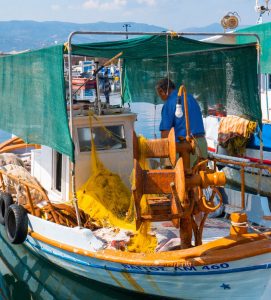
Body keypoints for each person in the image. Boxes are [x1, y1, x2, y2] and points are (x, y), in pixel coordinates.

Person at [156, 78, 208, 166]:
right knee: (201, 177)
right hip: (202, 144)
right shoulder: (191, 98)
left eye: (159, 95)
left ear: (161, 91)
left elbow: (165, 135)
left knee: (174, 175)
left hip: (186, 148)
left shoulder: (169, 104)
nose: (161, 98)